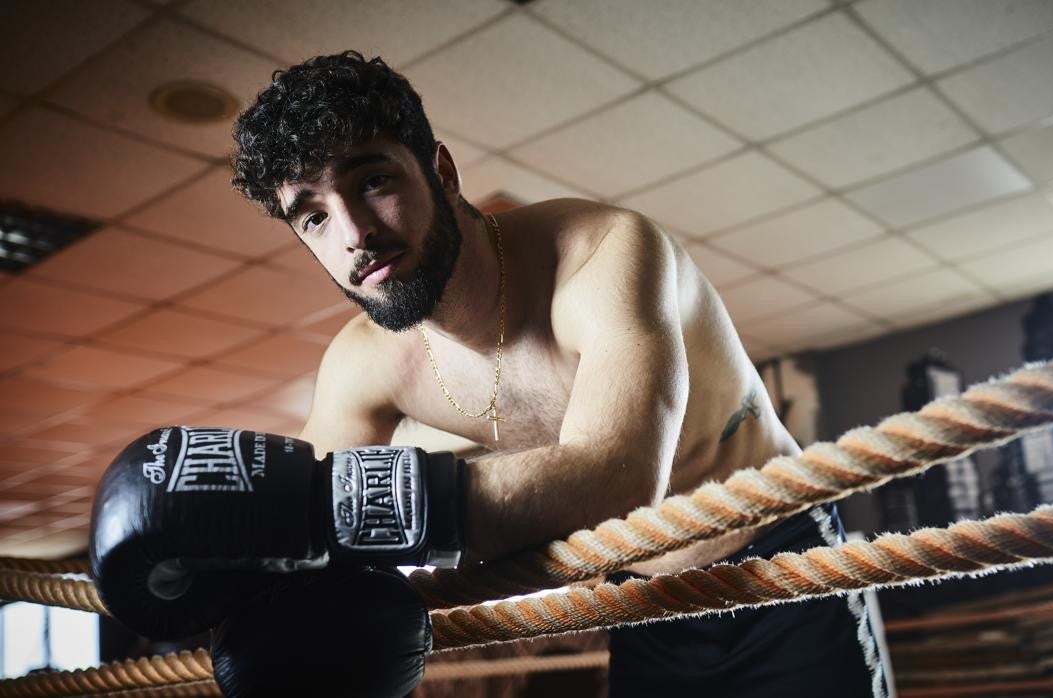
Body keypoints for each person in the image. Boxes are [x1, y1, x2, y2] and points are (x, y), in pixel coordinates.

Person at [227, 51, 883, 697]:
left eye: (373, 181)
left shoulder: (605, 254)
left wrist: (380, 507)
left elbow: (617, 475)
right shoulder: (361, 362)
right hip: (640, 597)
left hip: (782, 562)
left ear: (441, 172)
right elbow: (302, 523)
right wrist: (205, 566)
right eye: (313, 215)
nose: (354, 233)